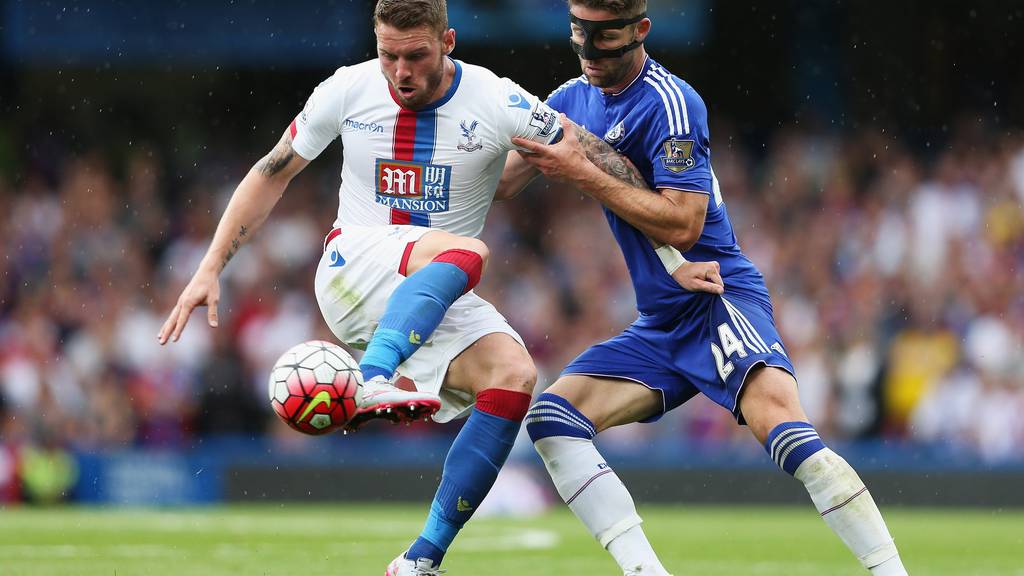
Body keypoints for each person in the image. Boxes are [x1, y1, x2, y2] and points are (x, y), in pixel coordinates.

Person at [157, 1, 722, 574]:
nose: (400, 70)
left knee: (515, 377)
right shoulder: (347, 90)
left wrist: (672, 256)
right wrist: (209, 267)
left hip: (434, 289)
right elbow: (273, 170)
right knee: (469, 250)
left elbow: (596, 161)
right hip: (354, 268)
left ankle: (421, 558)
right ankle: (373, 380)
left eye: (416, 55)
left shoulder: (498, 101)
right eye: (388, 55)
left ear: (447, 41)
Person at [498, 1, 909, 575]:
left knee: (786, 434)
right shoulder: (569, 100)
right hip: (662, 320)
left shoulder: (672, 102)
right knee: (552, 421)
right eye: (579, 33)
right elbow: (499, 185)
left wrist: (583, 169)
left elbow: (683, 222)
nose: (589, 50)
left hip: (715, 297)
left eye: (604, 35)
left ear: (640, 29)